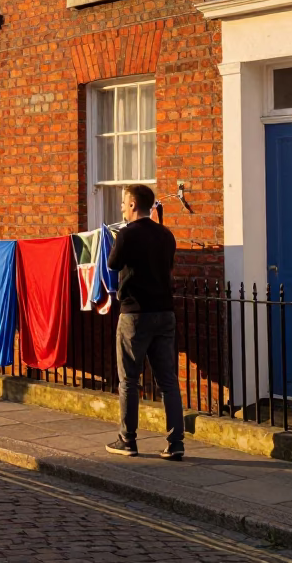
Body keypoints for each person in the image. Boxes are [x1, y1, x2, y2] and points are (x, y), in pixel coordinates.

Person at [104, 184, 184, 460]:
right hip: (164, 313)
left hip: (134, 315)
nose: (122, 208)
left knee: (128, 380)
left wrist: (118, 241)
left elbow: (113, 264)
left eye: (124, 204)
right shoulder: (166, 235)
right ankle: (176, 443)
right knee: (169, 381)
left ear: (134, 204)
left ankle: (128, 440)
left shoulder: (126, 235)